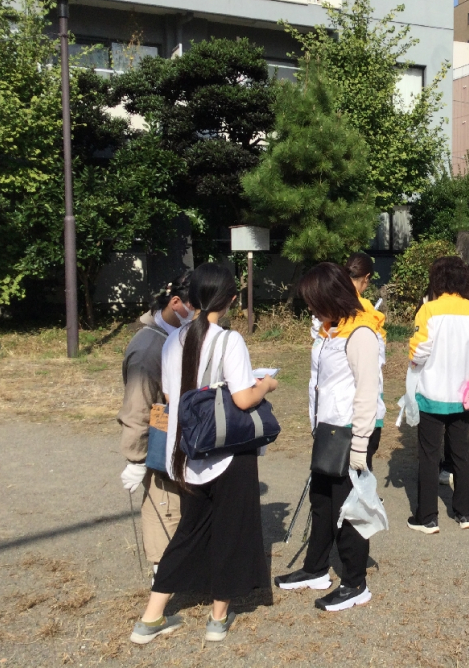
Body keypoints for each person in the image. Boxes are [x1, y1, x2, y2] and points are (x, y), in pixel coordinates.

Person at [129, 263, 278, 645]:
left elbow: (170, 395)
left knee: (188, 533)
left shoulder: (171, 340)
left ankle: (150, 618)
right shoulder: (230, 341)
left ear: (192, 297)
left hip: (188, 452)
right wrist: (265, 385)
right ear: (230, 299)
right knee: (231, 532)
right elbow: (243, 399)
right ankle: (217, 619)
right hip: (227, 451)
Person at [275, 262, 382, 612]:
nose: (311, 308)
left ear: (332, 296)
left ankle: (355, 583)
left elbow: (367, 392)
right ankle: (316, 569)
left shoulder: (361, 333)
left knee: (347, 509)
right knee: (321, 501)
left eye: (314, 301)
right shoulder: (329, 330)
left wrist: (360, 444)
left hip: (350, 433)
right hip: (327, 430)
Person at [405, 256, 469, 533]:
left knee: (429, 456)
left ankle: (427, 517)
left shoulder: (429, 310)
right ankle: (466, 513)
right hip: (463, 396)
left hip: (432, 394)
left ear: (437, 281)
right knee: (461, 453)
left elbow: (419, 352)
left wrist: (413, 363)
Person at [118, 275, 193, 576]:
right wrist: (136, 458)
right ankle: (163, 582)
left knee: (181, 510)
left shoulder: (177, 335)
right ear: (176, 303)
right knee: (165, 509)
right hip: (161, 446)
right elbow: (138, 406)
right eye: (195, 307)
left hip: (183, 440)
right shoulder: (149, 348)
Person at [345, 252, 387, 471]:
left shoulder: (330, 305)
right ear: (366, 278)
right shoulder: (367, 310)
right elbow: (379, 355)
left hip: (332, 410)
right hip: (363, 401)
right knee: (362, 465)